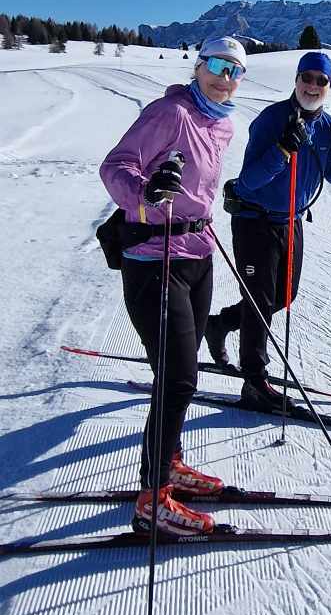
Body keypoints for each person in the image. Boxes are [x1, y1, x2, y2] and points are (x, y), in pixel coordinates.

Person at [99, 36, 247, 534]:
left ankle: (172, 462)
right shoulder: (171, 111)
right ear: (199, 65)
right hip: (153, 257)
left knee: (176, 371)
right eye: (217, 66)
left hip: (197, 256)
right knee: (180, 376)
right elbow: (116, 165)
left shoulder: (221, 123)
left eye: (234, 71)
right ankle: (153, 496)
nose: (224, 78)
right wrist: (145, 194)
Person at [205, 49, 331, 410]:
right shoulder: (271, 120)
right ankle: (254, 381)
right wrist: (282, 149)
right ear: (296, 80)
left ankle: (220, 324)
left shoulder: (325, 128)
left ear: (329, 86)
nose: (312, 86)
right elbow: (249, 181)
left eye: (320, 81)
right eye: (306, 77)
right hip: (254, 219)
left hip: (291, 220)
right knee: (260, 301)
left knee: (283, 297)